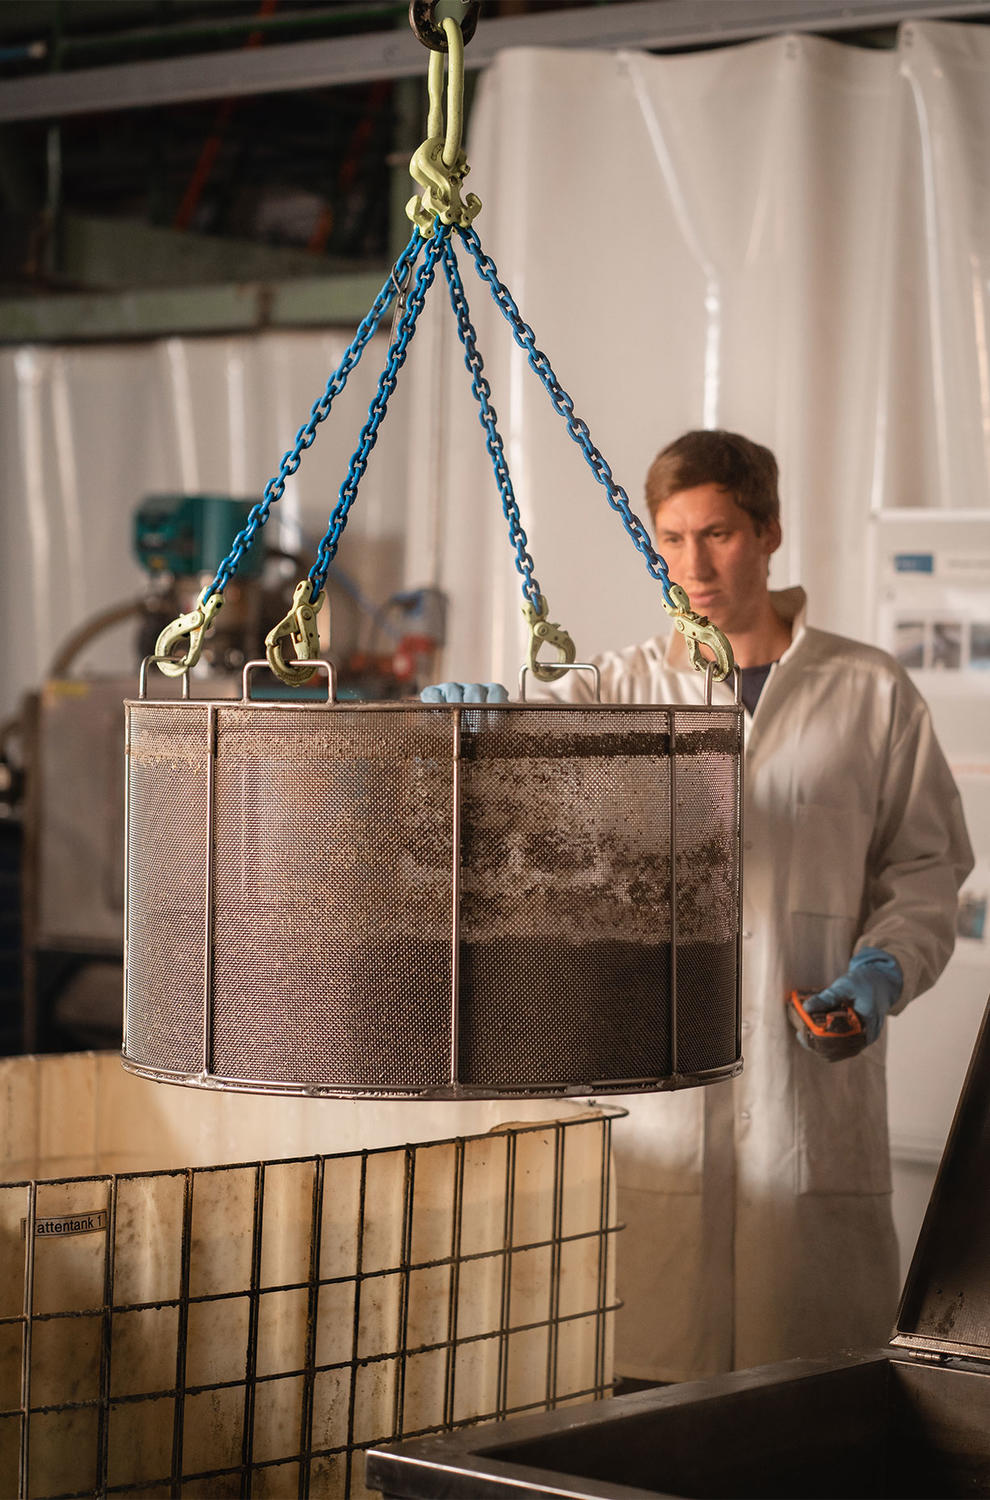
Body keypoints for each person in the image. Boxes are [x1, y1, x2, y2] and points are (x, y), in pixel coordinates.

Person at [424, 429, 973, 1385]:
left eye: (716, 533)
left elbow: (925, 872)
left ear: (768, 532)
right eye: (670, 539)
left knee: (810, 1402)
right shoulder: (619, 687)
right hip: (660, 1112)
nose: (692, 564)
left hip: (811, 1094)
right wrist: (477, 724)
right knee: (644, 1393)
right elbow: (525, 746)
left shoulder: (869, 691)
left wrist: (881, 971)